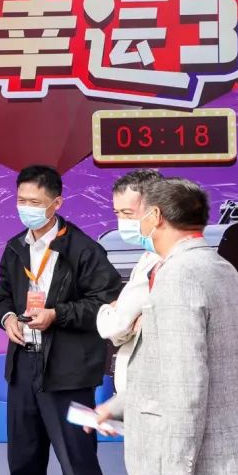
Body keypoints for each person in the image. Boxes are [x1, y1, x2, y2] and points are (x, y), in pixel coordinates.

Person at [95, 178, 238, 475]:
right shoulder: (220, 267)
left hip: (208, 473)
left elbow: (186, 381)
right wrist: (118, 406)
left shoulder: (177, 275)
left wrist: (178, 468)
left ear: (155, 216)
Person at [0, 165, 123, 475]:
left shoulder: (84, 250)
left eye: (35, 202)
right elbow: (3, 295)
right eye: (21, 200)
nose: (26, 208)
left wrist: (57, 315)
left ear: (56, 203)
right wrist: (8, 317)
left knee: (78, 463)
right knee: (23, 462)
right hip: (23, 368)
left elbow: (107, 302)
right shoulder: (14, 247)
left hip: (68, 373)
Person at [96, 170, 164, 403]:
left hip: (149, 394)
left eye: (128, 213)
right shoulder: (147, 257)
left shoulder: (159, 261)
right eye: (117, 213)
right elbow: (122, 330)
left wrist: (109, 310)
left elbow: (114, 326)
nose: (121, 222)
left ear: (156, 211)